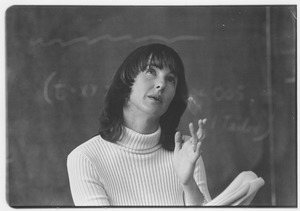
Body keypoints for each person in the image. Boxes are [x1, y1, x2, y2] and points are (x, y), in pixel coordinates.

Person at [67, 43, 211, 206]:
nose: (161, 84)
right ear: (127, 81)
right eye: (151, 72)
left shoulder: (186, 151)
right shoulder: (85, 158)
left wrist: (188, 183)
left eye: (170, 79)